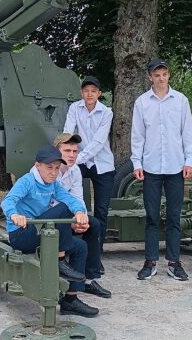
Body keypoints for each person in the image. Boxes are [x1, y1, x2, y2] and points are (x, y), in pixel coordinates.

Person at [1, 144, 99, 318]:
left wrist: (79, 212)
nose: (53, 172)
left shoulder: (54, 185)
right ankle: (60, 260)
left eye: (56, 168)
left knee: (81, 247)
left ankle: (70, 300)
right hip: (22, 235)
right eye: (49, 167)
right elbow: (8, 201)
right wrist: (14, 215)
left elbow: (71, 199)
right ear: (38, 165)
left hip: (41, 232)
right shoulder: (27, 181)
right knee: (62, 209)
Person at [131, 58, 192, 282]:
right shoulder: (142, 103)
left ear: (169, 75)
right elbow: (137, 136)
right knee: (151, 217)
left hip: (175, 167)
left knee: (174, 216)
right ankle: (150, 262)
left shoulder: (181, 101)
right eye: (157, 75)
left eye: (164, 74)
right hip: (151, 167)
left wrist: (190, 161)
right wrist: (137, 163)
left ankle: (174, 263)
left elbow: (187, 133)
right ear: (150, 77)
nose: (161, 79)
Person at [54, 132, 111, 299]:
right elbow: (50, 204)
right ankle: (63, 276)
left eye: (75, 151)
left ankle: (89, 279)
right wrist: (71, 221)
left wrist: (81, 219)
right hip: (50, 219)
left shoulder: (75, 171)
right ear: (57, 152)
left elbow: (78, 199)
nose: (72, 155)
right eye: (67, 151)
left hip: (68, 217)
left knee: (94, 225)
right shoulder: (48, 170)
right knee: (70, 230)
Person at [63, 76, 114, 252]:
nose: (89, 94)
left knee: (101, 210)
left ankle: (96, 252)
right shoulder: (74, 108)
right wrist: (67, 155)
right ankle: (68, 245)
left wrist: (76, 159)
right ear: (81, 92)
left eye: (93, 91)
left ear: (99, 93)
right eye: (86, 91)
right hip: (79, 162)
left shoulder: (106, 112)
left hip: (102, 164)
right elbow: (68, 132)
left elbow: (99, 142)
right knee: (66, 198)